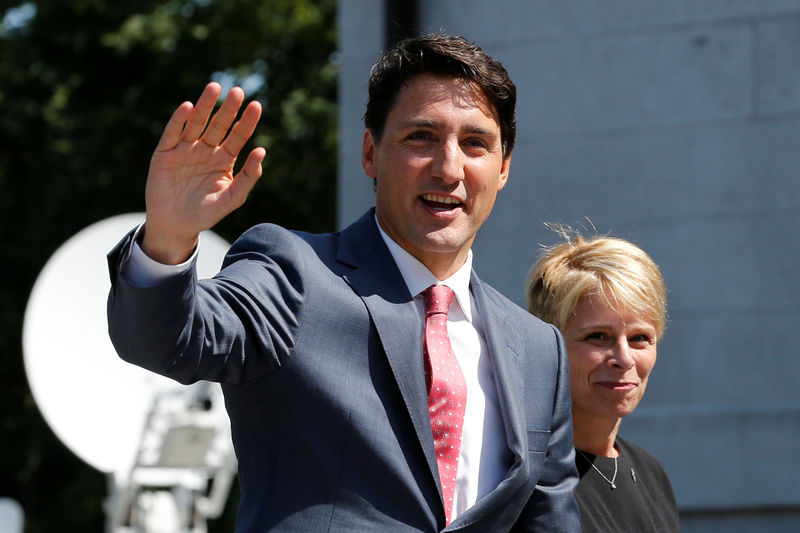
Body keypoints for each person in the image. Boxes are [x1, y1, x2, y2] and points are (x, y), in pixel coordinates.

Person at [107, 34, 580, 531]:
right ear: (370, 153)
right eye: (421, 137)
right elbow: (164, 339)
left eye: (475, 144)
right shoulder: (295, 273)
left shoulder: (539, 349)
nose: (448, 168)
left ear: (503, 167)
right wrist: (168, 236)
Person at [526, 229, 680, 532]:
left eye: (640, 339)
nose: (623, 359)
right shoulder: (523, 475)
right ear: (548, 342)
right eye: (598, 337)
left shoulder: (651, 472)